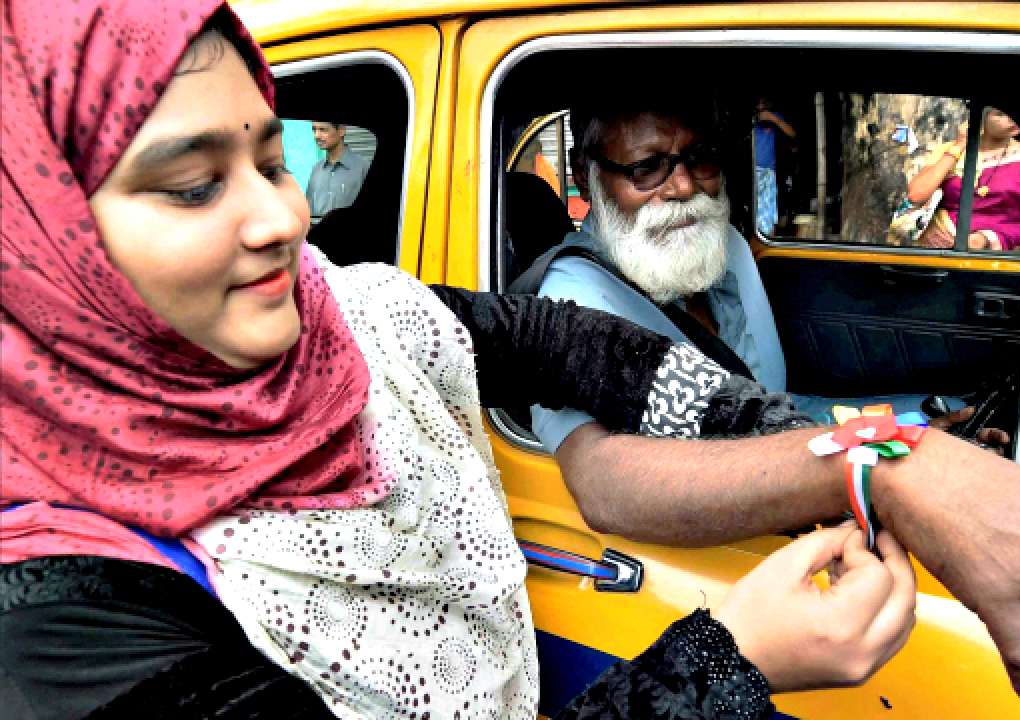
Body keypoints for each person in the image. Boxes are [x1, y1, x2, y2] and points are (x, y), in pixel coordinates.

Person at [0, 3, 918, 718]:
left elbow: (569, 350)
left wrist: (879, 461)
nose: (288, 220)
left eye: (272, 162)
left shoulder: (345, 312)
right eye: (195, 186)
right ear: (35, 239)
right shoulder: (58, 626)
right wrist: (735, 659)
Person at [528, 89, 1020, 708]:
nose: (682, 186)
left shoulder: (720, 248)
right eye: (646, 168)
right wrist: (876, 464)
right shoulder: (568, 302)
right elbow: (605, 484)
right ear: (589, 183)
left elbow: (769, 408)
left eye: (697, 158)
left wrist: (919, 425)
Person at [907, 107, 1020, 251]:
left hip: (990, 254)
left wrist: (984, 238)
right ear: (981, 117)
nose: (1012, 119)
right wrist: (960, 145)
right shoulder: (951, 150)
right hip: (937, 246)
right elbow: (916, 195)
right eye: (1000, 114)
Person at [305, 120, 371, 217]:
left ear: (341, 130)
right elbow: (308, 210)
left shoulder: (363, 167)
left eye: (323, 130)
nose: (316, 136)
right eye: (314, 130)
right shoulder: (316, 170)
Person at [753, 98, 796, 236]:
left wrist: (774, 119)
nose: (761, 106)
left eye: (764, 102)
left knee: (769, 212)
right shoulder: (751, 118)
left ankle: (769, 241)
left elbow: (792, 133)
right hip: (752, 171)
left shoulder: (774, 117)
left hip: (768, 171)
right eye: (758, 103)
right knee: (754, 210)